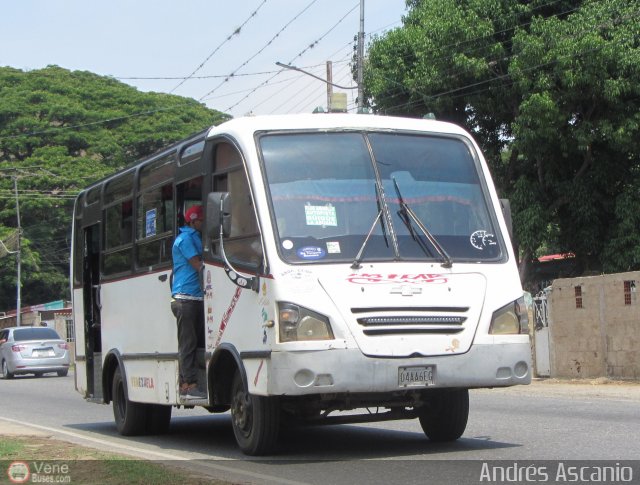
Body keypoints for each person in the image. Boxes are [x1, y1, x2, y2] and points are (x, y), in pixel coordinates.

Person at [171, 204, 206, 400]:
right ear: (193, 220)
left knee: (196, 342)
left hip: (196, 298)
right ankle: (188, 384)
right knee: (188, 344)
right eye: (201, 220)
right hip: (185, 299)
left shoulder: (196, 238)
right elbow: (198, 266)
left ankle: (192, 380)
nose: (204, 223)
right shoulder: (185, 240)